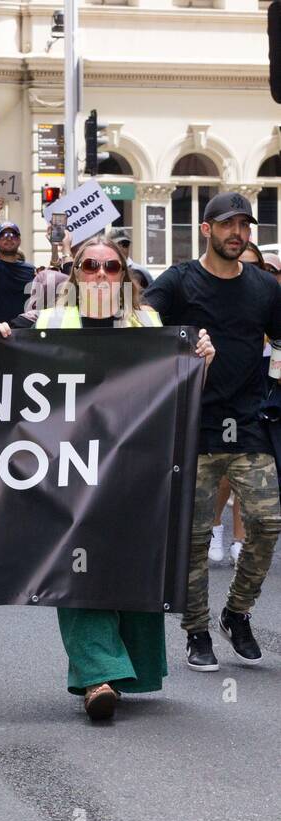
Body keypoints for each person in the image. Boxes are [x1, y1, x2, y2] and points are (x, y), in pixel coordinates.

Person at [0, 237, 215, 717]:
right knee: (74, 561)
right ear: (74, 275)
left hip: (132, 467)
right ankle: (97, 678)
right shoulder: (49, 320)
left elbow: (178, 387)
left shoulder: (150, 324)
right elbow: (2, 356)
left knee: (129, 559)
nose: (99, 274)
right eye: (88, 265)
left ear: (124, 276)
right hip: (65, 468)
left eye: (110, 266)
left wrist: (201, 355)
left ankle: (126, 665)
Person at [143, 191, 281, 672]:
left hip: (246, 424)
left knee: (267, 523)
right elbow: (141, 321)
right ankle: (196, 629)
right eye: (227, 225)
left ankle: (236, 613)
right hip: (192, 424)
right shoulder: (181, 280)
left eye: (244, 226)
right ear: (206, 229)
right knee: (195, 535)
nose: (237, 234)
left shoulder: (265, 287)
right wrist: (176, 343)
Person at [0, 196, 36, 329]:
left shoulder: (31, 270)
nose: (9, 238)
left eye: (13, 235)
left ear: (19, 240)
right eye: (3, 235)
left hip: (22, 335)